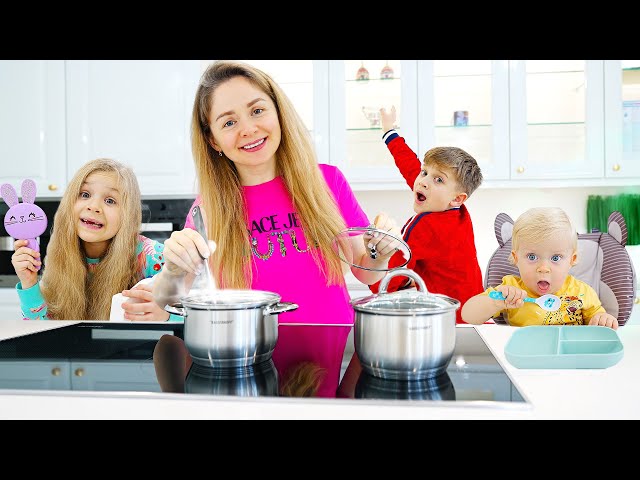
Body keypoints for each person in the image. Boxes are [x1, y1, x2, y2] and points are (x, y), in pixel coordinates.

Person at [152, 60, 400, 398]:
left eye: (257, 110)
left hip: (328, 364)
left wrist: (379, 248)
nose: (249, 129)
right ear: (213, 140)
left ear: (278, 111)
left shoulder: (327, 181)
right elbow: (174, 299)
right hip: (245, 369)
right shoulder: (207, 209)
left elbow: (368, 273)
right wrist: (171, 268)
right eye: (229, 122)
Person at [11, 158, 181, 322]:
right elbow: (44, 331)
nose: (93, 206)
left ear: (128, 215)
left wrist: (165, 316)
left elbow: (191, 321)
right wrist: (29, 283)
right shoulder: (60, 256)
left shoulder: (154, 257)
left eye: (110, 200)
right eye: (84, 194)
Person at [373, 106, 484, 324]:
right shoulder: (457, 210)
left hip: (448, 321)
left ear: (458, 198)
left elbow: (389, 278)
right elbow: (410, 167)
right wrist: (390, 133)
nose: (422, 180)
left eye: (438, 179)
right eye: (425, 172)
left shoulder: (426, 225)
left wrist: (375, 272)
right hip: (475, 314)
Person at [461, 207, 619, 329]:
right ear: (516, 259)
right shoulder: (510, 289)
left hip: (569, 357)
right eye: (532, 257)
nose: (543, 268)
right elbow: (468, 315)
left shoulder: (582, 292)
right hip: (525, 358)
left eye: (555, 258)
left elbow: (598, 318)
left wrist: (603, 320)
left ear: (572, 260)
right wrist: (496, 302)